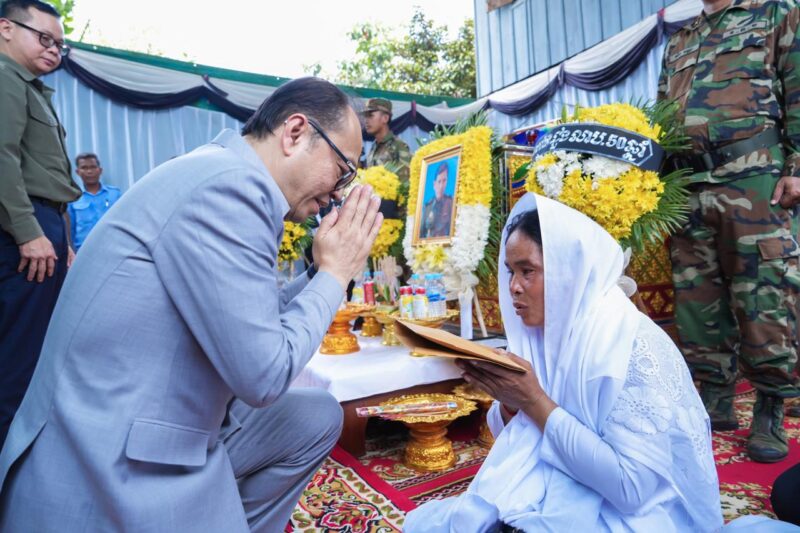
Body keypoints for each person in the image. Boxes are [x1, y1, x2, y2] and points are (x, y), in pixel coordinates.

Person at [0, 77, 383, 532]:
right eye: (342, 169)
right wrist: (336, 274)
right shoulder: (230, 188)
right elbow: (264, 376)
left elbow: (250, 320)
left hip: (156, 416)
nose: (339, 192)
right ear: (295, 132)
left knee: (316, 415)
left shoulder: (223, 173)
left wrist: (322, 274)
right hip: (108, 457)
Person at [404, 193, 723, 531]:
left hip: (628, 513)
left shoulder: (632, 347)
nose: (513, 287)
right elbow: (519, 437)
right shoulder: (545, 332)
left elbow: (630, 489)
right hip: (560, 485)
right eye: (510, 272)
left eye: (528, 271)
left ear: (569, 272)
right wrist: (510, 401)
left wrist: (533, 400)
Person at [658, 0, 800, 462]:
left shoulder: (776, 12)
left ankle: (770, 404)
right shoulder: (680, 39)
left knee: (763, 294)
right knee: (697, 298)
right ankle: (714, 396)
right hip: (688, 183)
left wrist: (797, 166)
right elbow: (662, 115)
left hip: (755, 178)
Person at [0, 0, 80, 450]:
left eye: (59, 45)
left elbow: (48, 179)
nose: (53, 49)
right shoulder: (5, 77)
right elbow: (2, 158)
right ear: (6, 28)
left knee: (27, 352)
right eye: (44, 38)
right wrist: (30, 232)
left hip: (39, 223)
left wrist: (60, 238)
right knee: (20, 362)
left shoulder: (28, 86)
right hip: (20, 227)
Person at [67, 152, 122, 251]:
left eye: (93, 167)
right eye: (84, 168)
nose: (89, 171)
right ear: (78, 172)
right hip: (84, 250)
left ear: (100, 170)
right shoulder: (73, 198)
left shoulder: (114, 194)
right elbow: (70, 229)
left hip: (114, 248)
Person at [363, 97, 411, 184]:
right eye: (365, 116)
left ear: (385, 118)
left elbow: (404, 184)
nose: (366, 120)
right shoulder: (374, 147)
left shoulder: (399, 146)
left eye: (370, 115)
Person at [419, 162, 454, 239]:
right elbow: (421, 233)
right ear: (434, 184)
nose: (441, 186)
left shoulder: (451, 203)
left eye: (444, 181)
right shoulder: (427, 206)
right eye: (439, 181)